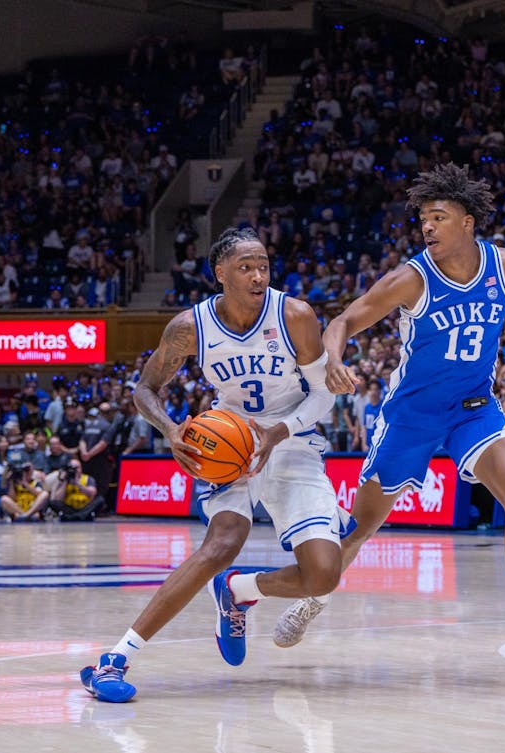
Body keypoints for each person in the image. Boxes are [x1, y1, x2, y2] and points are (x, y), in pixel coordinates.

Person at [272, 164, 505, 675]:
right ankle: (314, 597)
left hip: (474, 410)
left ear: (468, 222)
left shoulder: (504, 265)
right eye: (423, 220)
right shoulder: (410, 278)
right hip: (411, 417)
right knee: (361, 529)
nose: (428, 228)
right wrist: (333, 356)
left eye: (438, 217)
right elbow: (346, 319)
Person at [79, 227, 351, 704]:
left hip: (290, 438)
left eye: (263, 265)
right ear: (220, 273)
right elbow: (145, 390)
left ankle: (239, 590)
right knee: (221, 543)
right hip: (229, 443)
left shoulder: (294, 315)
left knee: (324, 574)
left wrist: (277, 432)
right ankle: (115, 659)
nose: (258, 275)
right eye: (245, 267)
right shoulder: (190, 327)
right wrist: (169, 429)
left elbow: (324, 392)